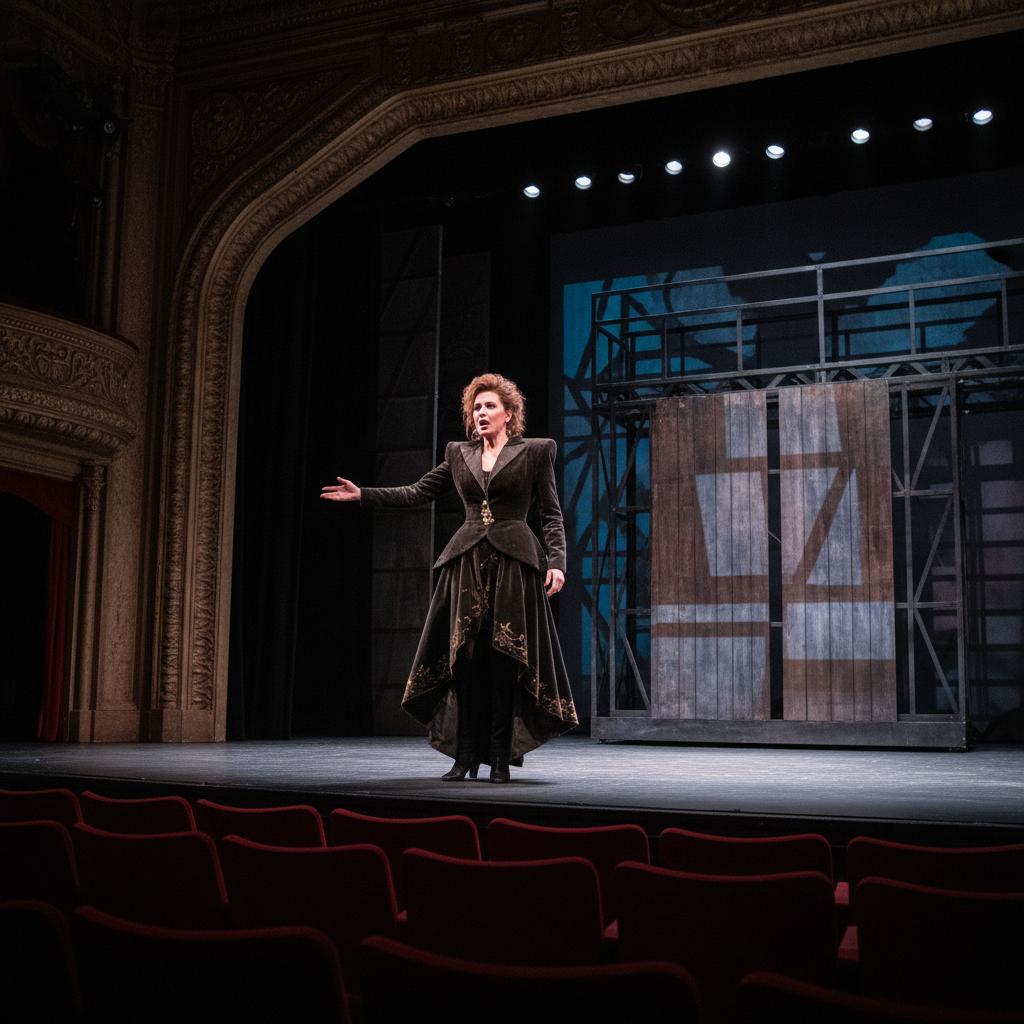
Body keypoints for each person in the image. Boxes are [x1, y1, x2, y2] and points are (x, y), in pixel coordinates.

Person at [321, 373, 578, 783]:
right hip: (467, 562)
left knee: (504, 660)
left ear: (509, 413)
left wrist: (557, 562)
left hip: (514, 563)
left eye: (489, 406)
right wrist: (364, 494)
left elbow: (551, 512)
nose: (481, 413)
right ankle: (465, 755)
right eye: (476, 407)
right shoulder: (459, 454)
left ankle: (499, 758)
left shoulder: (535, 451)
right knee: (466, 660)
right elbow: (417, 491)